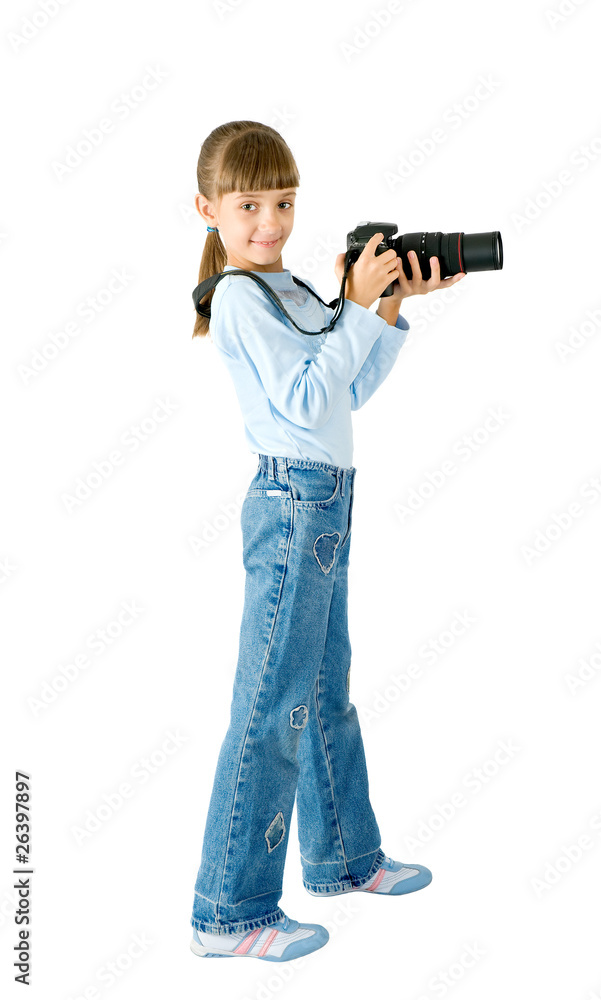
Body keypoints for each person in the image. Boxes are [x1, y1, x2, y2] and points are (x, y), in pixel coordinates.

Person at [188, 120, 466, 963]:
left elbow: (347, 389)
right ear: (208, 209)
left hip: (327, 500)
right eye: (249, 205)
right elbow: (307, 404)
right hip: (292, 505)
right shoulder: (239, 298)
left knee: (321, 689)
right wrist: (353, 309)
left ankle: (343, 855)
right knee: (271, 706)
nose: (270, 222)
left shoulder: (293, 289)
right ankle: (228, 912)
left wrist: (386, 305)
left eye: (283, 202)